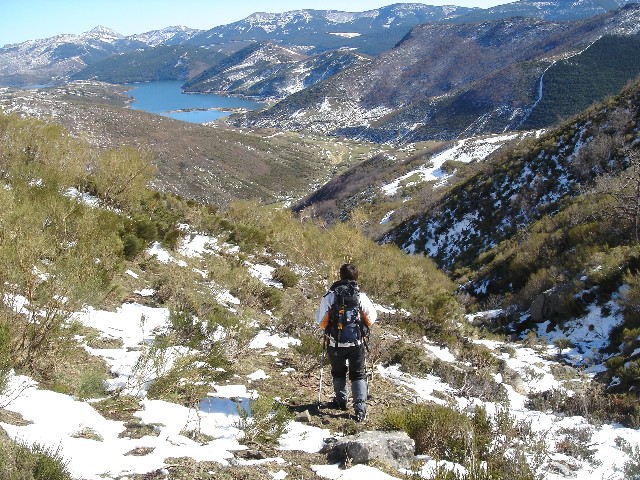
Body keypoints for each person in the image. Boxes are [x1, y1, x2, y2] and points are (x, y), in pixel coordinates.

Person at [315, 263, 377, 421]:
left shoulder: (330, 296)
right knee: (358, 374)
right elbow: (371, 319)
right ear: (356, 277)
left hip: (335, 343)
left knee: (338, 372)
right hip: (356, 343)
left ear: (340, 276)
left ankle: (341, 402)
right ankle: (360, 409)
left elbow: (320, 322)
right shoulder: (361, 296)